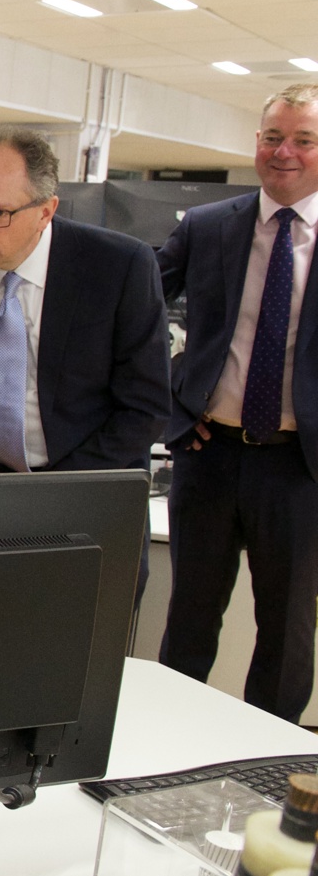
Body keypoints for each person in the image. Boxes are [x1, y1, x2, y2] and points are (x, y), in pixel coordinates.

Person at [158, 83, 318, 722]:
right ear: (256, 142)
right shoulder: (207, 227)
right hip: (209, 455)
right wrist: (174, 405)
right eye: (273, 137)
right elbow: (135, 310)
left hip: (299, 467)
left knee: (285, 629)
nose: (285, 152)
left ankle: (266, 761)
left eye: (304, 140)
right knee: (190, 617)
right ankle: (167, 746)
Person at [0, 126, 168, 477]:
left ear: (45, 211)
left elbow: (146, 407)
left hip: (92, 483)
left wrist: (57, 491)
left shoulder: (119, 267)